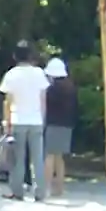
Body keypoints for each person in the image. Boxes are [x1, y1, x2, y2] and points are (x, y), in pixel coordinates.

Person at [0, 41, 51, 201]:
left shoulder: (11, 74)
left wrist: (7, 122)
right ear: (31, 55)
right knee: (37, 158)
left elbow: (8, 102)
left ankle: (17, 191)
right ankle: (40, 192)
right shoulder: (39, 73)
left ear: (15, 56)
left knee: (18, 159)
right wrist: (42, 119)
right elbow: (43, 99)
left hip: (18, 119)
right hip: (36, 120)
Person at [43, 57, 78, 199]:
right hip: (67, 125)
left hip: (53, 124)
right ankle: (59, 189)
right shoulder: (71, 88)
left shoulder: (51, 90)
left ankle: (46, 187)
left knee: (49, 156)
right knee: (59, 157)